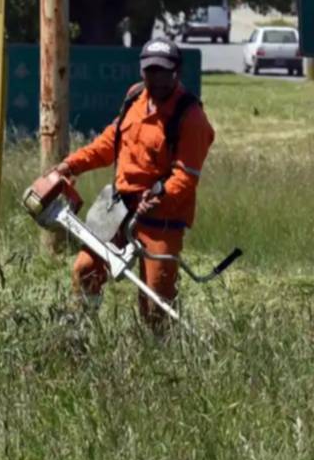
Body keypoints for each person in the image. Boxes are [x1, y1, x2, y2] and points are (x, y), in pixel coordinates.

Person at [49, 38, 214, 330]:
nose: (157, 79)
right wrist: (70, 165)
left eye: (164, 72)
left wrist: (160, 196)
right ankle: (78, 334)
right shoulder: (134, 97)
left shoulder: (191, 117)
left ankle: (159, 348)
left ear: (177, 72)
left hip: (162, 217)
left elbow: (186, 177)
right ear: (142, 71)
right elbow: (108, 144)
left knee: (155, 299)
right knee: (85, 270)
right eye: (151, 71)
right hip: (117, 204)